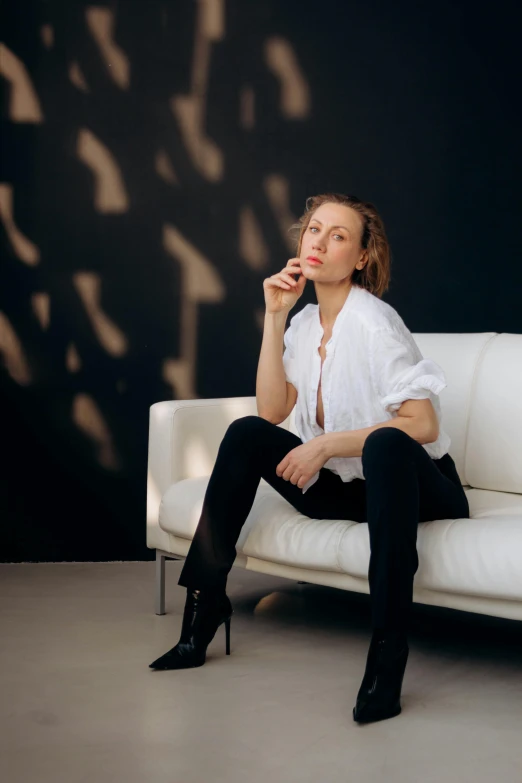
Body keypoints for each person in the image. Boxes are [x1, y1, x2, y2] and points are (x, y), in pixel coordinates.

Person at [148, 192, 470, 724]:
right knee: (247, 432)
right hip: (348, 491)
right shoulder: (302, 324)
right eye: (313, 230)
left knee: (388, 440)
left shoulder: (375, 323)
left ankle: (387, 656)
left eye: (338, 235)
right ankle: (205, 607)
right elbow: (273, 412)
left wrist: (325, 444)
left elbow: (423, 425)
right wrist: (275, 319)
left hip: (419, 490)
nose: (318, 242)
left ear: (362, 257)